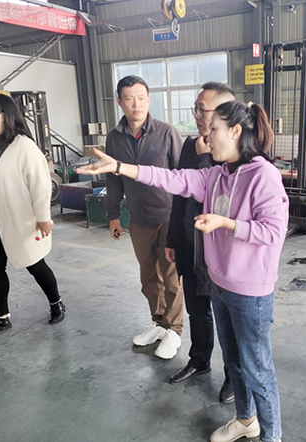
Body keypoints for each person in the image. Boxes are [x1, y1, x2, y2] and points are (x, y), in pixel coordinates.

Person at [78, 101, 288, 442]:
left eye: (214, 129)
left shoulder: (263, 175)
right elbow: (169, 178)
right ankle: (246, 419)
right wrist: (118, 166)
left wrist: (226, 223)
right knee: (234, 362)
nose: (207, 136)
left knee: (257, 368)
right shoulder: (216, 175)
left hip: (251, 292)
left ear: (235, 131)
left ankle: (271, 436)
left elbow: (273, 232)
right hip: (220, 285)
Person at [0, 94, 65, 340]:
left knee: (35, 264)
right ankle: (1, 317)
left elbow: (40, 185)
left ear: (3, 114)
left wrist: (43, 217)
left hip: (19, 221)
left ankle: (56, 303)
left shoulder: (23, 146)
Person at [165, 82, 236, 404]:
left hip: (221, 252)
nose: (196, 115)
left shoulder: (237, 152)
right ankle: (200, 359)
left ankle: (235, 376)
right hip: (190, 245)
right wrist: (173, 238)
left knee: (229, 319)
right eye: (195, 108)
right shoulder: (189, 145)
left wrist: (206, 158)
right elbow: (180, 194)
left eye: (201, 110)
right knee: (197, 309)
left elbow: (222, 196)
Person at [105, 75, 184, 360]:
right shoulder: (114, 138)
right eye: (129, 98)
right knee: (148, 277)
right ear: (120, 102)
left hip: (168, 217)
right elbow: (113, 179)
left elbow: (183, 178)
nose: (136, 104)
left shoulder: (166, 132)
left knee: (172, 277)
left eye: (141, 98)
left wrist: (183, 219)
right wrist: (113, 215)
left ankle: (174, 330)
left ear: (148, 100)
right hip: (138, 219)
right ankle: (159, 322)